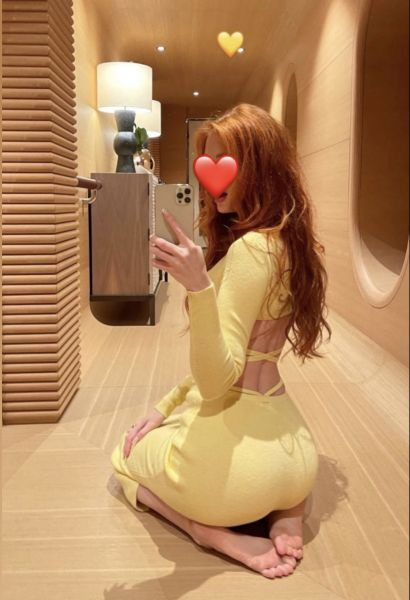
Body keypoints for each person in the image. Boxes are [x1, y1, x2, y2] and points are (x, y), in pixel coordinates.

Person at [110, 103, 331, 579]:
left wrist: (198, 287)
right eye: (207, 161)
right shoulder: (287, 241)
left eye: (226, 161)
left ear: (260, 167)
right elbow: (246, 358)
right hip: (296, 461)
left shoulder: (251, 249)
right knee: (171, 423)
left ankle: (206, 531)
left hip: (233, 478)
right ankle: (286, 514)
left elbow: (217, 382)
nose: (213, 176)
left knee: (122, 457)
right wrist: (165, 406)